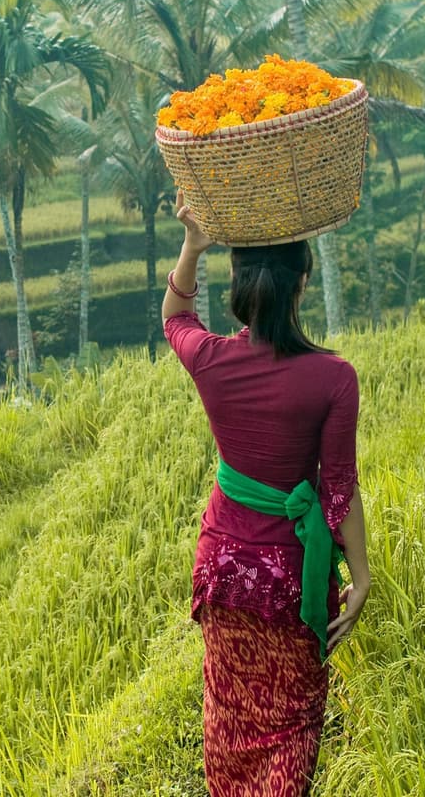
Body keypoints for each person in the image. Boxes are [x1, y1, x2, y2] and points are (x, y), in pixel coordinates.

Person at [162, 195, 370, 796]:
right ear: (302, 283)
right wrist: (360, 577)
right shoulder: (334, 379)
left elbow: (175, 318)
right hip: (287, 584)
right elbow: (338, 491)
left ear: (238, 285)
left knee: (230, 717)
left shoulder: (212, 360)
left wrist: (192, 245)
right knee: (292, 725)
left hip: (224, 571)